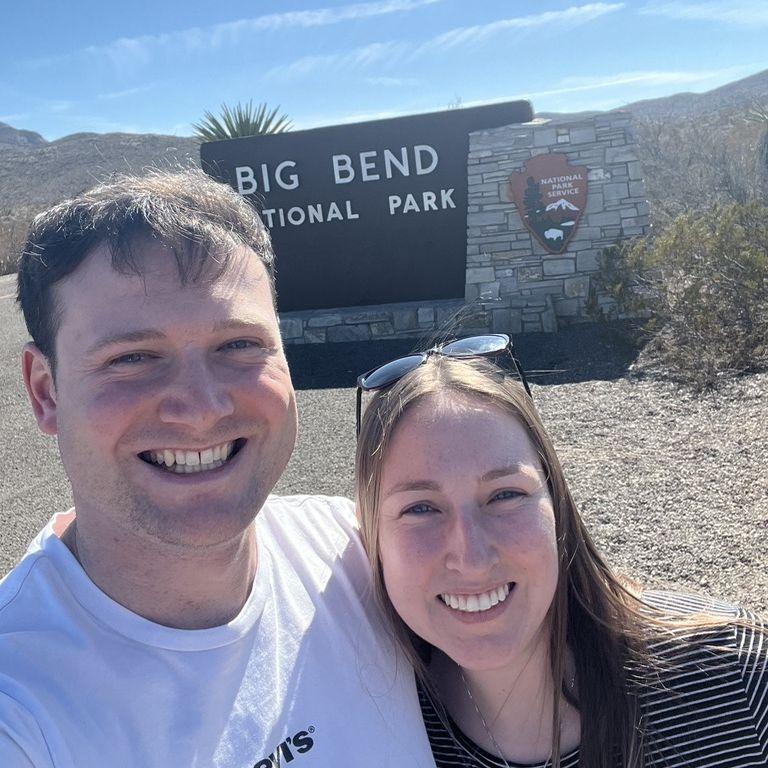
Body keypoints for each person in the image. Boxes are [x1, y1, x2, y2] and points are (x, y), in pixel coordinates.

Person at [0, 169, 434, 767]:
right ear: (45, 392)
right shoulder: (20, 706)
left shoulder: (362, 552)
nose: (202, 407)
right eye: (133, 358)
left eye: (239, 345)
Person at [354, 337, 768, 768]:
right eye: (420, 508)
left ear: (558, 504)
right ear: (372, 539)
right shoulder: (368, 735)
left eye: (504, 495)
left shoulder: (737, 681)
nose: (472, 557)